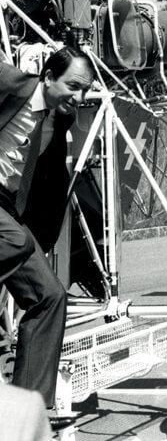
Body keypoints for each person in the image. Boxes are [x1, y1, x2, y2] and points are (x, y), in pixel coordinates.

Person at [0, 47, 94, 418]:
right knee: (17, 241)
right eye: (74, 85)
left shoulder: (55, 121)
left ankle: (28, 412)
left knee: (50, 295)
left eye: (85, 90)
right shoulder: (12, 83)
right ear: (49, 77)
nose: (80, 97)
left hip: (6, 208)